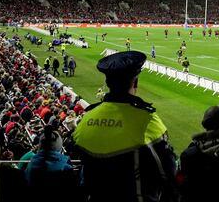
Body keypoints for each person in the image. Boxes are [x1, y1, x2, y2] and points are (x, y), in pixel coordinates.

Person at [70, 50, 177, 202]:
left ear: (108, 83)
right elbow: (167, 171)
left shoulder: (87, 118)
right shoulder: (147, 120)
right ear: (135, 82)